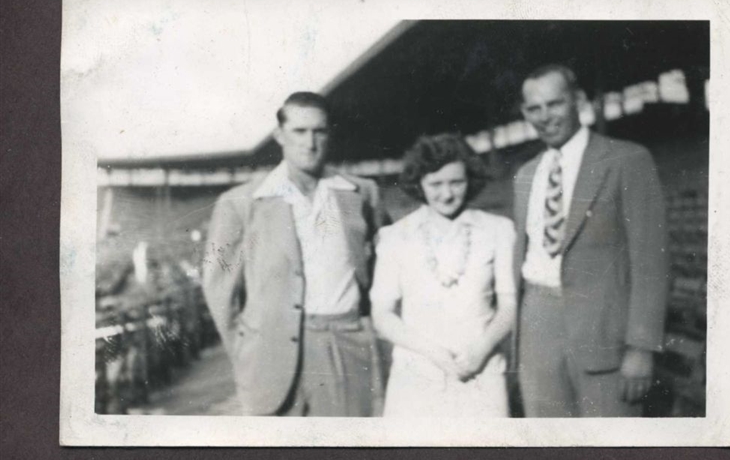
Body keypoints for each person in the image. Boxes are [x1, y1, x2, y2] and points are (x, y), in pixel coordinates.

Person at [203, 92, 388, 416]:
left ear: (330, 134)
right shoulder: (238, 202)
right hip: (269, 355)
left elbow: (386, 270)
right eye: (300, 131)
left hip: (344, 344)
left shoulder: (362, 193)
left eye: (319, 131)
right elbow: (217, 286)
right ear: (280, 135)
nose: (310, 142)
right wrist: (245, 351)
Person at [513, 65, 669, 417]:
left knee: (609, 448)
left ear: (579, 100)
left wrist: (641, 347)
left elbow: (650, 261)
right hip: (537, 320)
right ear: (524, 113)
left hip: (603, 330)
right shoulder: (525, 175)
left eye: (555, 104)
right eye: (534, 109)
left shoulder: (627, 159)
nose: (545, 117)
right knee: (547, 443)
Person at [371, 134, 517, 417]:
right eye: (435, 184)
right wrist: (435, 355)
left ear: (470, 179)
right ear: (419, 183)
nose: (447, 194)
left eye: (456, 182)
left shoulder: (498, 230)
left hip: (481, 371)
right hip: (417, 374)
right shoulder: (395, 236)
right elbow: (382, 315)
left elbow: (509, 306)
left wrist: (479, 351)